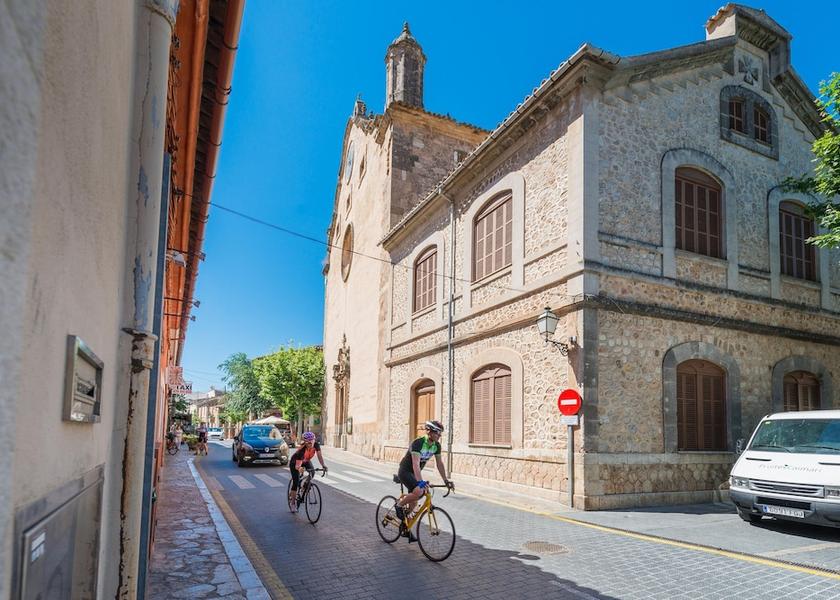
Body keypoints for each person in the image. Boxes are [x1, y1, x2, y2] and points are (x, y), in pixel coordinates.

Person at [394, 420, 454, 542]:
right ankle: (398, 505)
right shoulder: (418, 443)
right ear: (429, 431)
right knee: (419, 491)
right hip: (405, 471)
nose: (439, 435)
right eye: (437, 432)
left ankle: (405, 528)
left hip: (414, 473)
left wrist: (446, 480)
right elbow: (416, 464)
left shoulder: (436, 446)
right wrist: (420, 482)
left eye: (440, 433)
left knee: (414, 506)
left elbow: (439, 464)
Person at [287, 431, 327, 512]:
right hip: (295, 462)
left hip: (306, 461)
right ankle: (293, 503)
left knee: (312, 473)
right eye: (308, 442)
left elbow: (319, 456)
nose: (311, 444)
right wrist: (300, 469)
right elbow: (297, 466)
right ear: (305, 442)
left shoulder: (316, 445)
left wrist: (323, 465)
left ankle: (304, 487)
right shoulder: (301, 450)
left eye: (312, 441)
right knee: (296, 482)